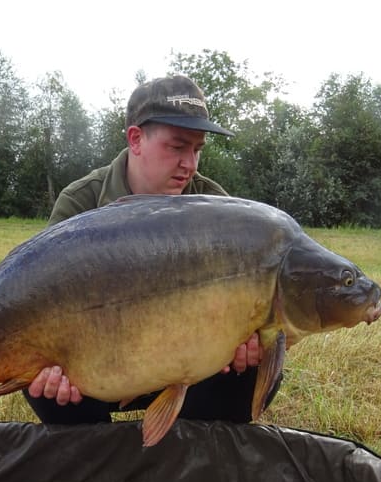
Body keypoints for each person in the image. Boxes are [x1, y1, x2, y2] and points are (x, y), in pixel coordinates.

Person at [24, 75, 281, 424]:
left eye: (197, 149)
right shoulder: (81, 201)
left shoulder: (216, 207)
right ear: (136, 139)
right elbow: (39, 295)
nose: (190, 164)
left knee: (254, 368)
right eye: (177, 147)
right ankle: (93, 450)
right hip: (101, 370)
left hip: (189, 368)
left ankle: (188, 445)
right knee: (39, 377)